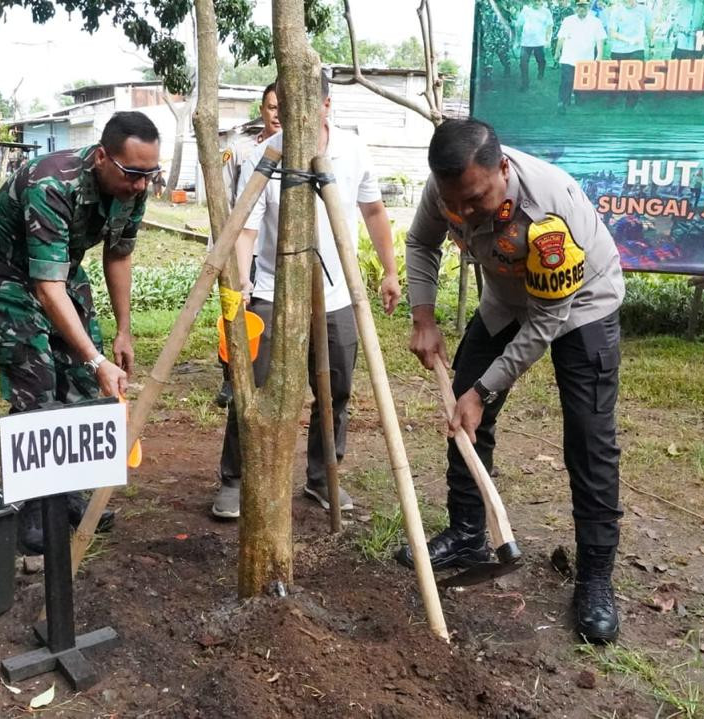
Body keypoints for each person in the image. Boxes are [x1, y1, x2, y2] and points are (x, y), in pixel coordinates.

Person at [396, 119, 626, 645]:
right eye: (457, 202)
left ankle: (594, 579)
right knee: (461, 411)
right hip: (506, 299)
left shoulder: (548, 215)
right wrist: (424, 318)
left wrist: (483, 390)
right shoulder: (447, 187)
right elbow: (421, 241)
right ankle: (468, 533)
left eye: (476, 200)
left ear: (502, 168)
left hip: (580, 308)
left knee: (590, 440)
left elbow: (547, 322)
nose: (465, 211)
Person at [210, 72, 401, 520]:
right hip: (272, 290)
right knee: (250, 388)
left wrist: (390, 271)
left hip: (337, 293)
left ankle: (322, 476)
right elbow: (249, 226)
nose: (293, 117)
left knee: (336, 389)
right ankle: (235, 481)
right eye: (284, 107)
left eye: (305, 107)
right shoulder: (265, 154)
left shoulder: (352, 149)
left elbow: (373, 210)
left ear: (326, 106)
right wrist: (241, 281)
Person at [0, 111, 161, 554]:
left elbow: (117, 255)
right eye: (134, 173)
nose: (141, 184)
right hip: (8, 277)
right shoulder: (51, 184)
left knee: (78, 382)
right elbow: (44, 286)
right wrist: (98, 360)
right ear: (101, 158)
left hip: (61, 272)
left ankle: (68, 494)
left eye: (150, 174)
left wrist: (122, 333)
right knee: (37, 385)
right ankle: (32, 509)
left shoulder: (134, 188)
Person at [213, 82, 283, 409]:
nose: (278, 114)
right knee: (235, 309)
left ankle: (261, 369)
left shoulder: (297, 155)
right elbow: (224, 201)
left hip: (269, 248)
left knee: (262, 317)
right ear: (262, 110)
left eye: (283, 107)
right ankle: (231, 376)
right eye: (272, 107)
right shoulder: (242, 151)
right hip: (241, 244)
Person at [556, 0, 607, 113]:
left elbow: (600, 40)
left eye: (584, 6)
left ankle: (579, 99)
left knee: (582, 82)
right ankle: (562, 102)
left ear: (588, 7)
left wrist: (599, 56)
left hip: (586, 59)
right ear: (575, 7)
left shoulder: (596, 22)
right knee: (567, 81)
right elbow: (561, 38)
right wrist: (557, 52)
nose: (581, 8)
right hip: (568, 57)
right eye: (579, 6)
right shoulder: (568, 21)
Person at [606, 0, 652, 107]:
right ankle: (613, 101)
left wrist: (651, 46)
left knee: (635, 77)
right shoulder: (616, 12)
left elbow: (649, 29)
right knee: (616, 78)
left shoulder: (644, 10)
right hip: (619, 50)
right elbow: (612, 32)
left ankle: (631, 104)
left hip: (637, 49)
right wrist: (628, 40)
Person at [519, 0, 555, 91]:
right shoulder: (525, 11)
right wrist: (518, 38)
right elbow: (519, 25)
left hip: (539, 42)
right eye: (535, 1)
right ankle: (525, 83)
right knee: (523, 63)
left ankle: (541, 72)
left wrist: (548, 40)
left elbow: (549, 26)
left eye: (538, 1)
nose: (536, 2)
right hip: (526, 42)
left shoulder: (546, 12)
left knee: (541, 60)